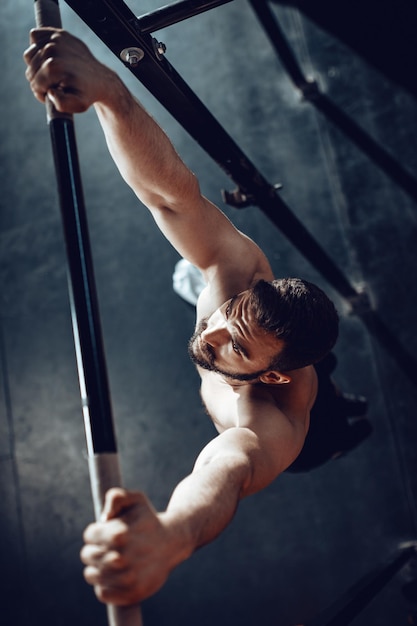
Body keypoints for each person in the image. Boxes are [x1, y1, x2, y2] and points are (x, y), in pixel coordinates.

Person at [23, 28, 370, 606]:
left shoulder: (270, 422)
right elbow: (172, 197)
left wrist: (170, 537)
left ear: (271, 375)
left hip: (308, 423)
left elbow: (225, 472)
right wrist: (111, 92)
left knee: (333, 426)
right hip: (286, 349)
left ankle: (345, 422)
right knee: (206, 262)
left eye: (234, 344)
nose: (208, 330)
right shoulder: (239, 275)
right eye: (228, 315)